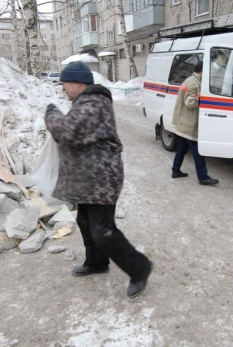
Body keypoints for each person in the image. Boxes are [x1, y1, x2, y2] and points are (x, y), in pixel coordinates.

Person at [45, 61, 153, 299]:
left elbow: (68, 132)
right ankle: (96, 262)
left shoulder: (94, 103)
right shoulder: (84, 102)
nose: (62, 87)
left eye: (65, 82)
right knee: (85, 223)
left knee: (103, 231)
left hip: (101, 180)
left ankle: (139, 267)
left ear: (78, 83)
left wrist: (52, 115)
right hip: (89, 179)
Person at [171, 62, 218, 186]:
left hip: (184, 121)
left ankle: (175, 170)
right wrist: (203, 99)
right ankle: (203, 177)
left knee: (182, 148)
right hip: (189, 124)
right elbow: (190, 102)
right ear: (202, 71)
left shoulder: (190, 80)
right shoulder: (193, 83)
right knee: (198, 152)